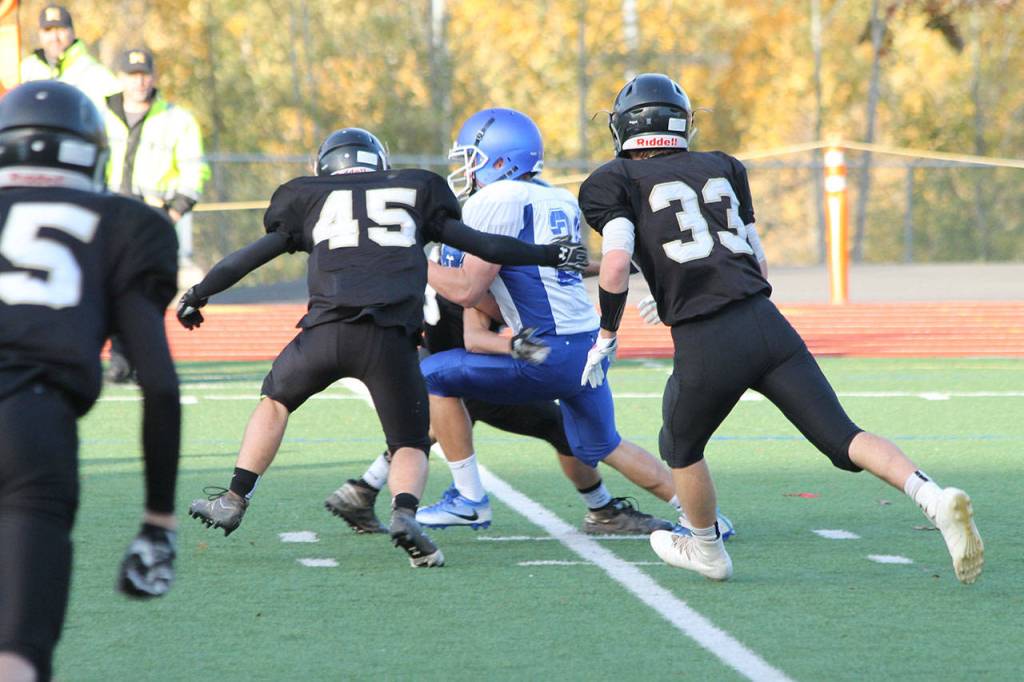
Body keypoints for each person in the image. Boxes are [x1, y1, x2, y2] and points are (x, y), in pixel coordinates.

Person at [579, 72, 984, 583]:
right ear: (681, 124)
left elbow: (616, 267)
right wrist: (674, 291)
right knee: (843, 436)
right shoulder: (723, 166)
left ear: (623, 128)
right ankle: (931, 495)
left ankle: (706, 548)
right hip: (767, 323)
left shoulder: (609, 180)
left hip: (707, 338)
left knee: (680, 446)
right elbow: (751, 261)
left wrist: (607, 337)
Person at [177, 127, 587, 568]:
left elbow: (249, 256)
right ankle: (405, 514)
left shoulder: (307, 196)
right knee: (409, 441)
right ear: (380, 164)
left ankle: (235, 497)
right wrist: (550, 254)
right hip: (389, 340)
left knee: (275, 402)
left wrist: (198, 294)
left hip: (324, 332)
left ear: (324, 166)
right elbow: (484, 246)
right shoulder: (415, 189)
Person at [413, 108, 731, 540]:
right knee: (604, 444)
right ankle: (704, 518)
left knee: (432, 375)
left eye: (472, 157)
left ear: (500, 160)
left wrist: (411, 259)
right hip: (587, 346)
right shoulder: (555, 197)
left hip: (550, 353)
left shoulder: (497, 199)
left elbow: (468, 290)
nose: (467, 168)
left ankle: (469, 499)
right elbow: (545, 272)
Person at [327, 244, 706, 537]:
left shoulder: (444, 258)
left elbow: (553, 265)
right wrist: (517, 346)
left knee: (425, 429)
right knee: (554, 428)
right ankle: (602, 509)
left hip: (440, 361)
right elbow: (477, 327)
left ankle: (364, 490)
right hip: (463, 372)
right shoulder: (480, 266)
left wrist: (628, 264)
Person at [0, 81, 181, 682]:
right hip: (32, 430)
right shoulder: (124, 224)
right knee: (17, 652)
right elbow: (157, 383)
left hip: (34, 422)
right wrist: (158, 521)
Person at [104, 47, 210, 383]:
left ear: (154, 76)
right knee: (108, 287)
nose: (139, 81)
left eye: (145, 73)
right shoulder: (97, 114)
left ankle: (143, 358)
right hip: (107, 214)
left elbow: (195, 173)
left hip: (153, 218)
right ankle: (119, 357)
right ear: (120, 76)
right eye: (132, 74)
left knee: (147, 290)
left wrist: (172, 214)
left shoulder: (178, 119)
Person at [19, 5, 121, 108]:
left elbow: (119, 116)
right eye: (48, 30)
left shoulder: (95, 73)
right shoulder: (26, 70)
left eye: (60, 30)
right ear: (40, 34)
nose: (55, 37)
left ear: (72, 32)